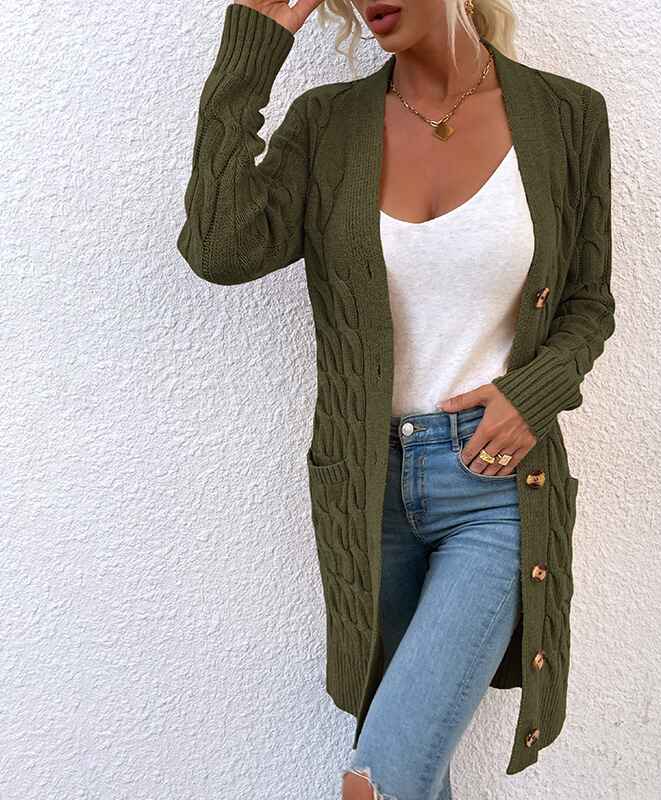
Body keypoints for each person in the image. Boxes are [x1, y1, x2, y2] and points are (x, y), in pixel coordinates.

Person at [177, 1, 615, 798]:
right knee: (414, 773)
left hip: (495, 490)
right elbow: (219, 247)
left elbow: (589, 302)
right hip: (366, 492)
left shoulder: (566, 115)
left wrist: (535, 393)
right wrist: (251, 56)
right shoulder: (329, 124)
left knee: (376, 783)